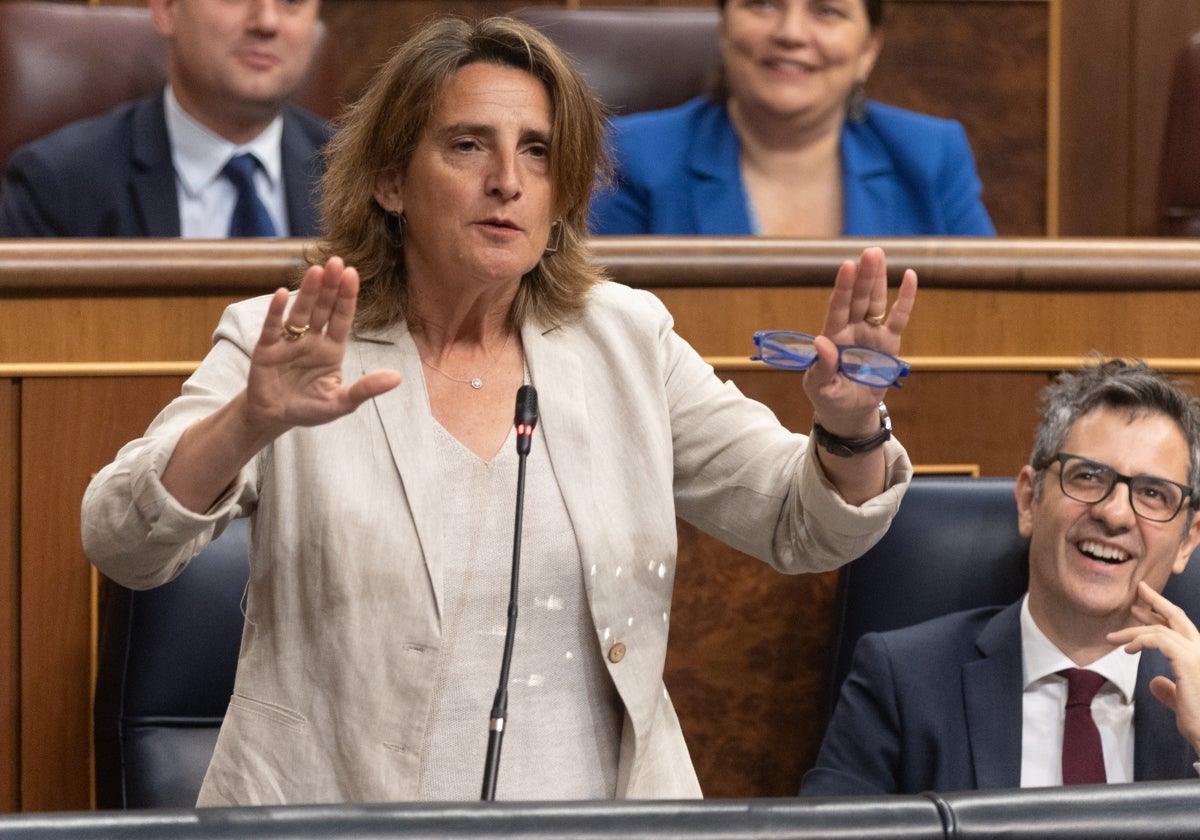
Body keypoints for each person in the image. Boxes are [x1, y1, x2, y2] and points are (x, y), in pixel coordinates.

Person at [82, 16, 917, 805]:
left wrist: (849, 426)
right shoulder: (296, 340)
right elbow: (122, 541)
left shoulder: (624, 340)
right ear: (389, 180)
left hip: (597, 819)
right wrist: (248, 424)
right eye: (467, 145)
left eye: (539, 153)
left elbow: (805, 527)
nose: (507, 182)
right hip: (334, 813)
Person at [802, 358, 1200, 796]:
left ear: (1186, 540)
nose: (1115, 513)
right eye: (1088, 476)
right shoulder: (900, 682)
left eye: (1152, 493)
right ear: (1030, 500)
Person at [589, 0, 995, 237]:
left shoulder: (931, 157)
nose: (792, 33)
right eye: (764, 3)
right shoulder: (632, 156)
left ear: (869, 50)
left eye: (826, 11)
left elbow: (989, 319)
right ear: (724, 28)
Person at [0, 0, 328, 238]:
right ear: (165, 9)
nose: (267, 21)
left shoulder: (363, 177)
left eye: (292, 1)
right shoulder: (55, 186)